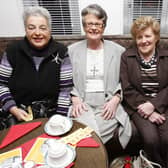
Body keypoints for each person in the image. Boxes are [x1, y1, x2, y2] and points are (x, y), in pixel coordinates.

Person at [68, 3, 132, 155]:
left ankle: (92, 159)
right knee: (83, 131)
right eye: (90, 23)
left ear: (103, 26)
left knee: (84, 136)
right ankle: (99, 159)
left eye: (98, 24)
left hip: (107, 104)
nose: (94, 28)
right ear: (84, 26)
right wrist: (74, 97)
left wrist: (116, 99)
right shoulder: (71, 51)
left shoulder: (118, 51)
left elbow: (126, 80)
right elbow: (65, 79)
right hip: (83, 104)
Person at [0, 6, 73, 129]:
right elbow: (1, 84)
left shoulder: (61, 51)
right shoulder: (13, 51)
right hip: (18, 111)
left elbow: (65, 90)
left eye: (43, 28)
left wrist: (59, 117)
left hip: (51, 113)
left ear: (49, 29)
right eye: (31, 28)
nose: (37, 33)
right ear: (26, 29)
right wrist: (13, 108)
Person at [120, 16, 168, 168]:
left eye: (148, 36)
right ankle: (155, 165)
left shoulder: (166, 56)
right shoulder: (127, 57)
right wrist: (147, 110)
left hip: (163, 103)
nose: (143, 40)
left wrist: (153, 105)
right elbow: (126, 88)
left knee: (167, 138)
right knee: (151, 139)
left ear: (156, 37)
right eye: (139, 37)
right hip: (137, 105)